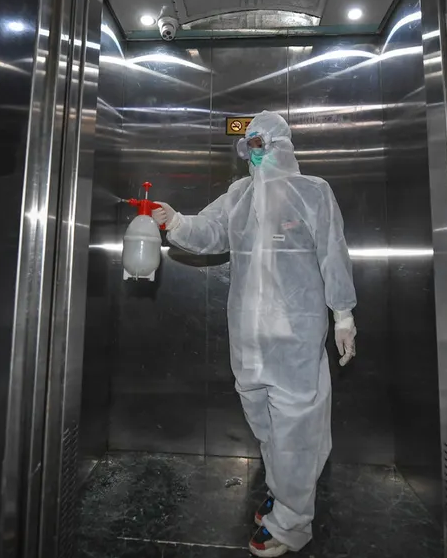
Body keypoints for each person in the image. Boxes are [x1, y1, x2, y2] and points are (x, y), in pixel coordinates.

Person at [152, 111, 357, 557]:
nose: (254, 152)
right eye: (249, 145)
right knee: (266, 428)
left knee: (296, 431)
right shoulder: (239, 195)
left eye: (261, 143)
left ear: (282, 144)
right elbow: (210, 232)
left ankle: (291, 523)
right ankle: (283, 492)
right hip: (248, 340)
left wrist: (343, 315)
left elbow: (333, 253)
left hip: (296, 338)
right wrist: (176, 222)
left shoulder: (313, 192)